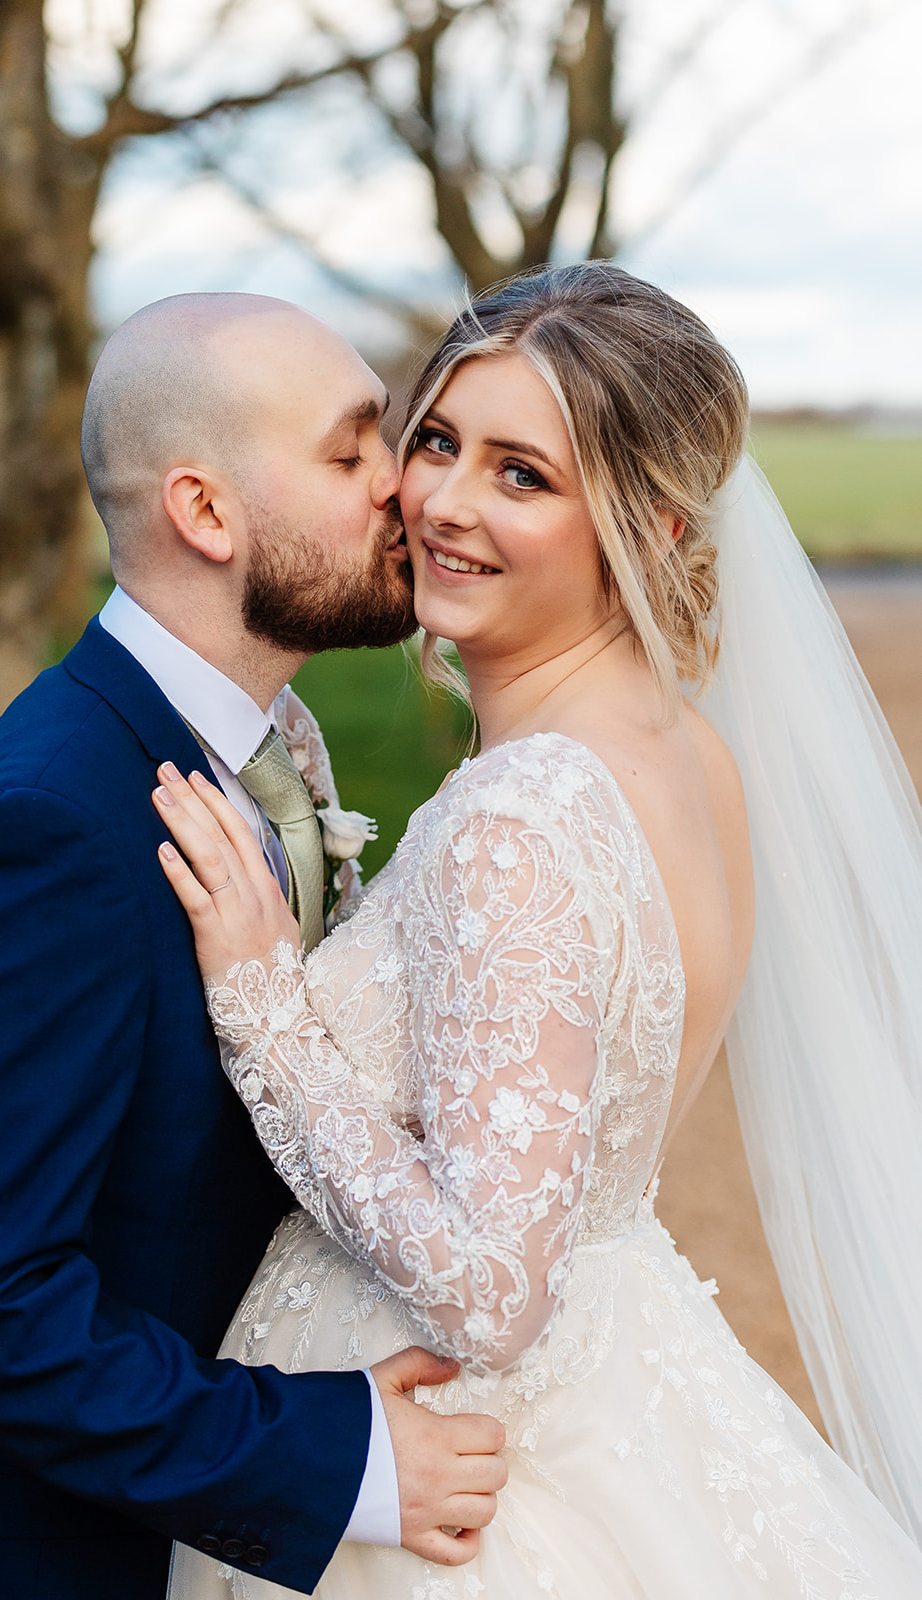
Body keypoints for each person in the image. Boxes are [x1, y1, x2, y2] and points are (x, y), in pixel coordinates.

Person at [155, 264, 922, 1598]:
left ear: (651, 520)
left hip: (452, 1467)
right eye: (438, 440)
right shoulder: (687, 754)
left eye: (524, 475)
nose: (444, 501)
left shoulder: (524, 815)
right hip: (625, 1374)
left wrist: (266, 1009)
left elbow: (496, 1292)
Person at [0, 293, 508, 1600]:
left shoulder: (262, 754)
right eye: (351, 452)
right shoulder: (56, 824)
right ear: (206, 514)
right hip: (26, 1561)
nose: (405, 488)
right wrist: (340, 1456)